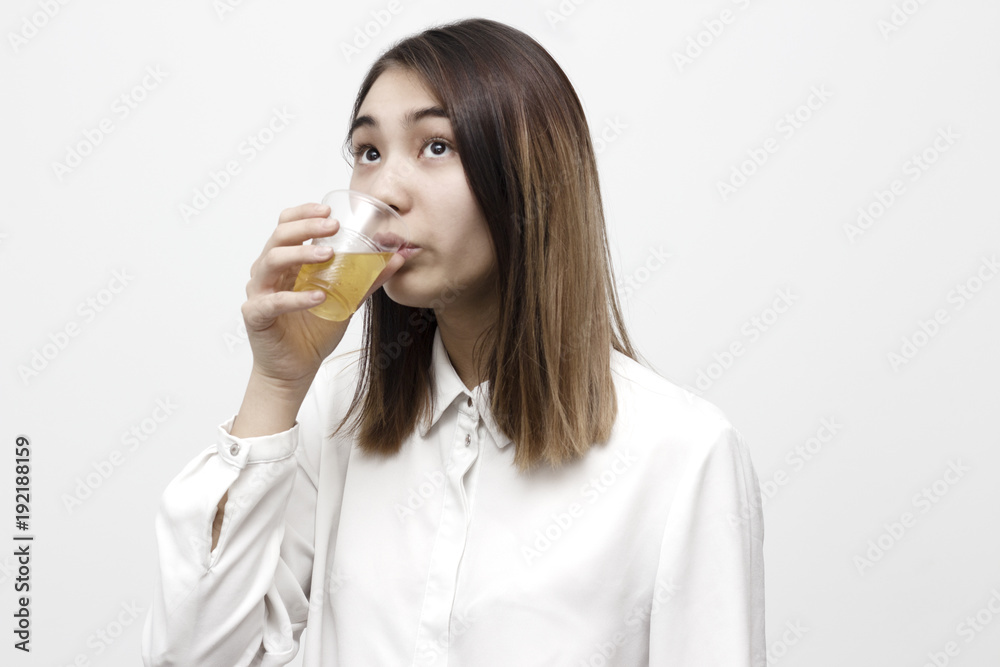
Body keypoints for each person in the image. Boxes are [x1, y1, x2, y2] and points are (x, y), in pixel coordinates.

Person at [141, 17, 765, 667]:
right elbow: (197, 657)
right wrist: (276, 385)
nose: (383, 190)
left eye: (436, 146)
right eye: (368, 152)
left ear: (533, 177)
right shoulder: (336, 414)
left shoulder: (682, 454)